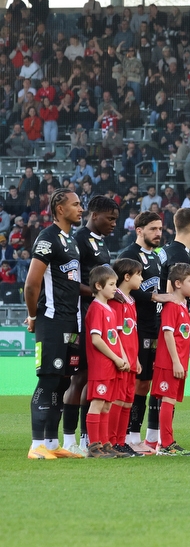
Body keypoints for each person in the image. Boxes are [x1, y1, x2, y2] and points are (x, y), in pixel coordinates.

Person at [25, 190, 85, 460]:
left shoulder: (70, 241)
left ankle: (51, 443)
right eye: (76, 204)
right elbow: (31, 283)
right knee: (48, 381)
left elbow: (70, 283)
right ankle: (36, 445)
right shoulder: (48, 238)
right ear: (60, 209)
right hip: (50, 321)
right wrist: (33, 315)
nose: (80, 208)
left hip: (70, 322)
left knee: (62, 383)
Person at [61, 195, 118, 456]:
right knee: (79, 377)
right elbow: (71, 282)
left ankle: (88, 438)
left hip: (96, 314)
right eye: (110, 218)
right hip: (79, 317)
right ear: (94, 215)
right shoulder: (79, 240)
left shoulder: (101, 243)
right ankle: (69, 438)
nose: (114, 223)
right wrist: (97, 295)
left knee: (91, 380)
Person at [119, 210, 170, 454]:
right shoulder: (129, 254)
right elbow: (122, 290)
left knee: (146, 383)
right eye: (153, 229)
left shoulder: (159, 257)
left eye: (160, 229)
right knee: (133, 382)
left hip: (155, 325)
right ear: (139, 230)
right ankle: (127, 436)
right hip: (135, 327)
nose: (158, 233)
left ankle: (140, 436)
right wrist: (153, 296)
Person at [82, 266, 130, 458]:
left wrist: (124, 357)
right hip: (101, 366)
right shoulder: (95, 308)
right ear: (98, 286)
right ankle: (94, 447)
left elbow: (115, 337)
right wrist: (117, 358)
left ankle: (105, 445)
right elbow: (96, 339)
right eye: (111, 285)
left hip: (113, 365)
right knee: (98, 403)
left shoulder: (110, 309)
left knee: (107, 405)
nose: (115, 289)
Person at [150, 262, 190, 456]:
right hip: (169, 362)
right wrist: (176, 361)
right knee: (168, 401)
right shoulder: (170, 306)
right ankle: (166, 444)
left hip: (178, 362)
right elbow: (168, 334)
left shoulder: (181, 306)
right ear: (178, 283)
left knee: (171, 402)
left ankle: (168, 442)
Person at [109, 258, 143, 455]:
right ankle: (112, 441)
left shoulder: (131, 301)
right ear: (127, 276)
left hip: (131, 359)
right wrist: (122, 357)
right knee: (118, 400)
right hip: (121, 361)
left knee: (128, 401)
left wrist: (136, 358)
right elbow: (116, 334)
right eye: (138, 274)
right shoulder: (117, 300)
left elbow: (132, 333)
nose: (141, 278)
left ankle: (121, 441)